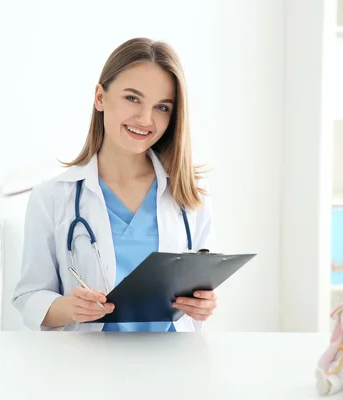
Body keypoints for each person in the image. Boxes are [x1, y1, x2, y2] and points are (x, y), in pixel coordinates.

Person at [12, 37, 216, 332]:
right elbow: (29, 297)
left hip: (172, 368)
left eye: (162, 107)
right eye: (133, 98)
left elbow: (200, 291)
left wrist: (203, 304)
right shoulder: (53, 197)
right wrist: (70, 308)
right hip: (90, 370)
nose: (145, 118)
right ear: (100, 97)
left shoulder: (190, 194)